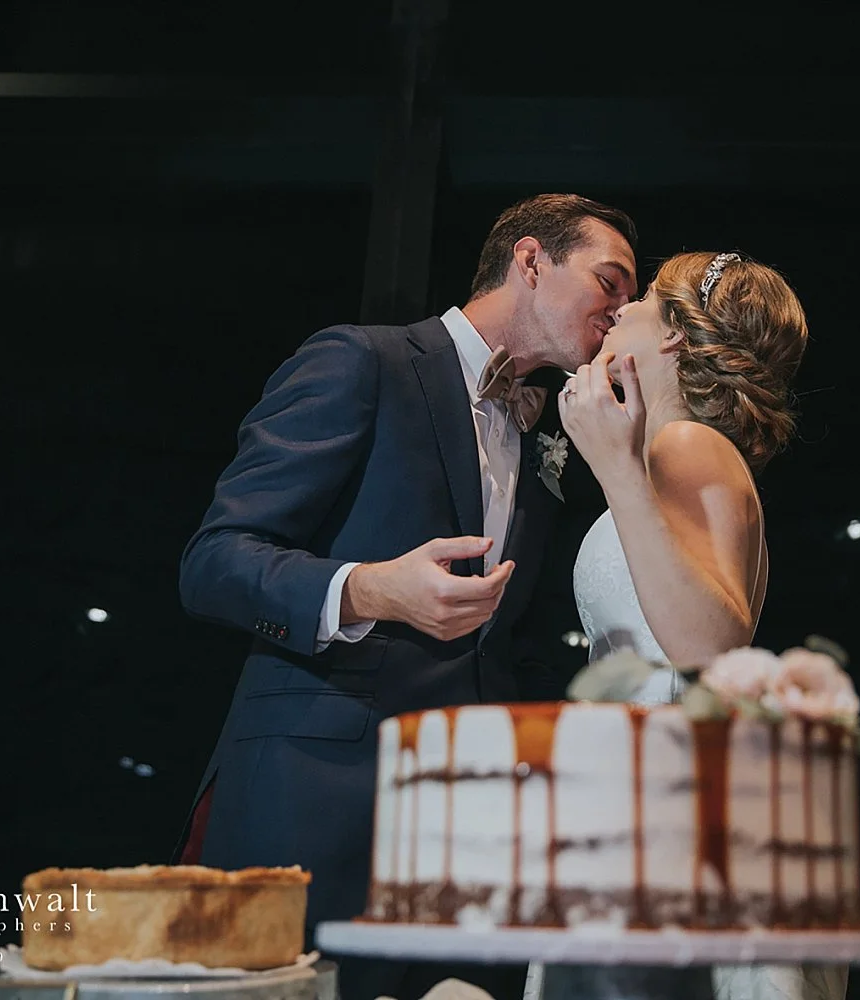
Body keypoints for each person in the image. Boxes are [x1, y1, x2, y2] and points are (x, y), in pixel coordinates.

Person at [172, 194, 638, 1000]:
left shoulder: (545, 438)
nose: (621, 311)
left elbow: (509, 642)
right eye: (611, 281)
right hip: (315, 800)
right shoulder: (362, 361)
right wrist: (365, 590)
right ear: (531, 261)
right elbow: (213, 561)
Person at [553, 251, 849, 1000]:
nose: (621, 310)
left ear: (676, 339)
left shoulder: (686, 447)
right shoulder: (676, 453)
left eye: (646, 298)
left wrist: (614, 469)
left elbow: (711, 645)